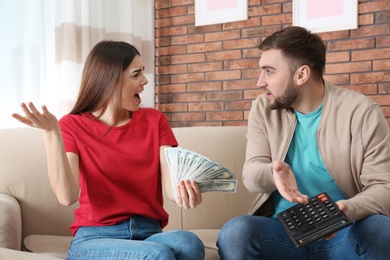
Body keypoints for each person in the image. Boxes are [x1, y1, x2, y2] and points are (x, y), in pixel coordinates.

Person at [12, 40, 205, 260]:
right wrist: (51, 133)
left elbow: (172, 188)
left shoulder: (155, 120)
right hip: (95, 238)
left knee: (189, 244)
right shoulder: (72, 125)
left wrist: (186, 193)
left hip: (149, 233)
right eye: (136, 74)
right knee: (157, 255)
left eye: (143, 72)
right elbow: (67, 196)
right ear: (110, 79)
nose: (145, 81)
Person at [217, 26, 390, 259]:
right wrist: (273, 173)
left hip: (342, 230)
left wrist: (347, 210)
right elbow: (251, 175)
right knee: (236, 232)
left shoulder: (361, 112)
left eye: (269, 71)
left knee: (381, 230)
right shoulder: (263, 108)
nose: (260, 82)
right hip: (281, 232)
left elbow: (384, 187)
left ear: (301, 75)